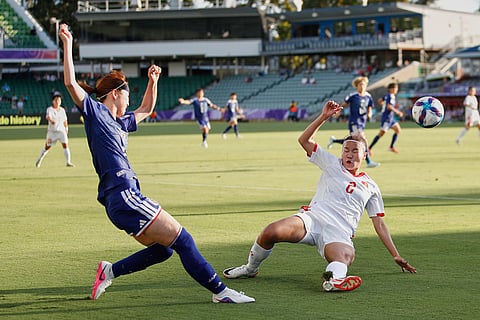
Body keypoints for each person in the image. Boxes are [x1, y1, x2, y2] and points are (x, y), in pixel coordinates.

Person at [58, 24, 254, 304]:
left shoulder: (121, 122)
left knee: (164, 249)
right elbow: (70, 84)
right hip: (123, 194)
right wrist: (67, 44)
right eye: (127, 93)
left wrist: (153, 81)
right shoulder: (97, 113)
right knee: (184, 240)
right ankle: (221, 292)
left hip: (120, 199)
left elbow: (146, 109)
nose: (130, 98)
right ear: (115, 93)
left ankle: (109, 271)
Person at [223, 100, 416, 292]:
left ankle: (334, 281)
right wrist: (323, 117)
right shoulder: (332, 164)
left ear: (365, 154)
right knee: (270, 232)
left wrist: (395, 255)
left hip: (339, 231)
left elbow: (379, 223)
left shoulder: (371, 187)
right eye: (346, 150)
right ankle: (250, 268)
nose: (349, 154)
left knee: (344, 257)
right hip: (312, 219)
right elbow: (304, 140)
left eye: (355, 151)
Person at [327, 76, 380, 168]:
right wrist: (338, 111)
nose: (362, 86)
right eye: (360, 84)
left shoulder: (368, 96)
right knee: (362, 139)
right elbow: (343, 104)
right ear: (357, 86)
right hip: (354, 121)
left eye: (364, 84)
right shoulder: (353, 96)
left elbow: (370, 106)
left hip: (362, 122)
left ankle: (334, 140)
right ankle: (368, 162)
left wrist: (370, 113)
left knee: (354, 140)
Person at [35, 91, 74, 168]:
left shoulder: (62, 110)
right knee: (47, 147)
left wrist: (66, 128)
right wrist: (51, 120)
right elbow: (48, 116)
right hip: (52, 132)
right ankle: (39, 160)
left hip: (61, 131)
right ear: (53, 101)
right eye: (56, 100)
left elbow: (65, 120)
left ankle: (68, 162)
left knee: (65, 145)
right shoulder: (50, 109)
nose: (58, 101)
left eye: (59, 100)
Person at [369, 82, 403, 154]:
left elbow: (379, 100)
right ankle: (369, 148)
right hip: (387, 118)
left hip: (391, 118)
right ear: (390, 89)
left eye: (396, 88)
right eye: (395, 88)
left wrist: (383, 105)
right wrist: (398, 112)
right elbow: (389, 107)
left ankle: (391, 147)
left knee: (398, 130)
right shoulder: (390, 96)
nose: (396, 89)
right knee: (381, 134)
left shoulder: (388, 96)